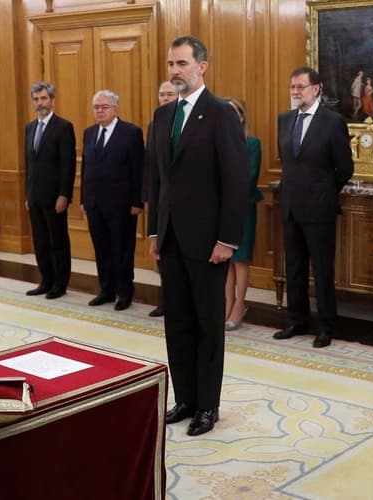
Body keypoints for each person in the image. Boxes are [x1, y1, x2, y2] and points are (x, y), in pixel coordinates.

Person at [147, 35, 246, 436]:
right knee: (178, 323)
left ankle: (208, 405)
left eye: (183, 64)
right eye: (172, 64)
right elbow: (158, 180)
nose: (175, 71)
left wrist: (227, 239)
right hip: (171, 238)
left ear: (202, 67)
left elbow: (236, 181)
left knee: (207, 325)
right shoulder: (162, 115)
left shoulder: (221, 114)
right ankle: (185, 397)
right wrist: (155, 229)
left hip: (209, 244)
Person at [273, 66, 354, 348]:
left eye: (301, 87)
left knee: (322, 270)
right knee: (294, 267)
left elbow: (345, 167)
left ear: (316, 88)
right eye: (292, 87)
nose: (296, 92)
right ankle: (297, 321)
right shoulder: (284, 120)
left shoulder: (332, 122)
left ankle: (325, 326)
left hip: (319, 209)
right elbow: (287, 160)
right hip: (290, 207)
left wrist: (324, 192)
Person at [80, 90, 144, 311]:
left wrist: (138, 201)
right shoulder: (89, 133)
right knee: (101, 249)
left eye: (104, 107)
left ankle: (124, 292)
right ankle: (106, 290)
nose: (99, 111)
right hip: (94, 203)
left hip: (122, 205)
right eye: (96, 107)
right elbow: (86, 167)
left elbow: (138, 169)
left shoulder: (131, 133)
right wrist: (83, 199)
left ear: (115, 108)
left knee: (122, 250)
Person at [24, 82, 76, 300]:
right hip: (35, 197)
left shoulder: (63, 127)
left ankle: (60, 284)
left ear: (52, 100)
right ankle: (45, 280)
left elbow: (68, 164)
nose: (39, 103)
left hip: (55, 197)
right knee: (40, 241)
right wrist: (28, 195)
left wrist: (64, 194)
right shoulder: (30, 128)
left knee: (57, 241)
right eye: (36, 99)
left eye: (43, 98)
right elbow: (29, 164)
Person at [224, 98, 263, 331]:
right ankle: (227, 305)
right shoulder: (218, 142)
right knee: (226, 260)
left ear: (242, 116)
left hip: (243, 208)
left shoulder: (252, 143)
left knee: (240, 259)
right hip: (222, 210)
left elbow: (249, 178)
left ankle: (240, 305)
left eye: (235, 112)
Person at [144, 81, 179, 318]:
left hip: (185, 203)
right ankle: (166, 301)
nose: (165, 97)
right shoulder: (155, 123)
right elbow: (150, 166)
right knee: (162, 255)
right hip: (159, 198)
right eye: (162, 94)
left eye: (170, 94)